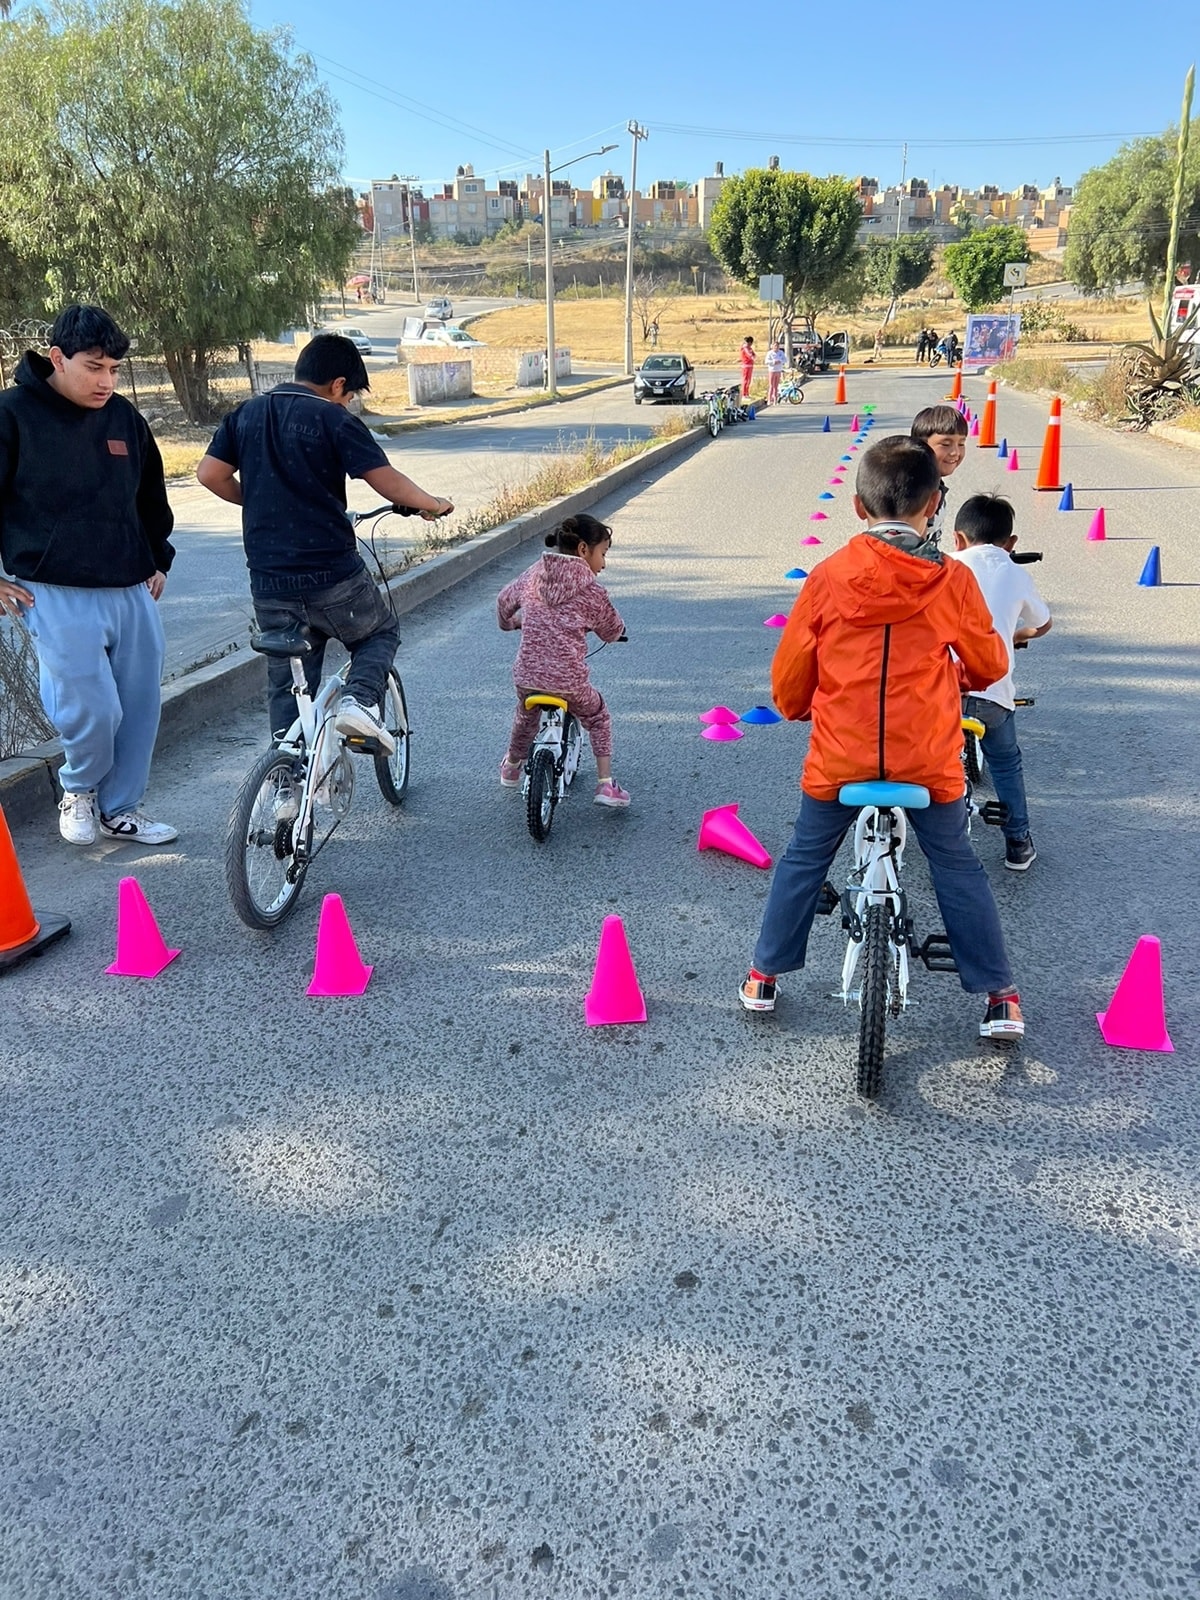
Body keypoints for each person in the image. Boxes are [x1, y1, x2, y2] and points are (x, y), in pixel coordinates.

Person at [738, 434, 1025, 1043]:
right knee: (955, 863)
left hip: (840, 758)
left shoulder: (827, 578)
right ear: (934, 503)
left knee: (803, 858)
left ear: (859, 508)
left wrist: (796, 708)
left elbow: (791, 680)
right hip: (928, 760)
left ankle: (764, 975)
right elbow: (988, 666)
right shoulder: (950, 580)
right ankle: (1001, 996)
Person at [196, 333, 452, 747]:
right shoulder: (332, 418)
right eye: (349, 395)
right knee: (379, 633)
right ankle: (361, 703)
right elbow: (387, 482)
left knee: (288, 683)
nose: (347, 402)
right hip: (331, 575)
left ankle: (286, 785)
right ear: (337, 385)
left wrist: (257, 500)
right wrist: (433, 503)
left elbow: (209, 475)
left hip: (269, 580)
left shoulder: (246, 413)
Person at [0, 304, 178, 846]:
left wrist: (158, 559)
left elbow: (150, 495)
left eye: (114, 369)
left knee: (141, 707)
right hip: (53, 590)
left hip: (129, 586)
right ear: (57, 358)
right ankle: (79, 789)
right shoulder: (12, 415)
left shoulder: (123, 418)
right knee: (93, 708)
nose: (105, 380)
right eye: (93, 366)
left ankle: (120, 809)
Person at [496, 513, 630, 809]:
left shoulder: (532, 574)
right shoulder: (592, 592)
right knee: (597, 715)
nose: (604, 564)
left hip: (527, 677)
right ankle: (606, 785)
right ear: (584, 549)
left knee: (525, 716)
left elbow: (503, 602)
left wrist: (512, 623)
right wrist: (617, 632)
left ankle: (512, 765)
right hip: (569, 683)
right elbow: (610, 630)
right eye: (603, 554)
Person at [950, 493, 1052, 871]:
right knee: (1007, 763)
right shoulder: (1015, 570)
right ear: (1011, 545)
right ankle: (1018, 843)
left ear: (958, 539)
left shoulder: (946, 565)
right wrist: (1013, 632)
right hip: (993, 693)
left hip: (943, 690)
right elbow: (1043, 624)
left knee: (926, 760)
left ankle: (936, 839)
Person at [911, 403, 968, 544]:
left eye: (961, 444)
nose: (955, 452)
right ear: (921, 445)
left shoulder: (934, 483)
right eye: (945, 444)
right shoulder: (917, 492)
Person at [739, 335, 756, 400]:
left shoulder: (750, 348)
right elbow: (750, 355)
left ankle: (747, 393)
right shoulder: (745, 348)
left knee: (749, 380)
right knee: (745, 380)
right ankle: (743, 394)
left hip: (750, 365)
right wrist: (752, 357)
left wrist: (753, 356)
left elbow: (754, 355)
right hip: (746, 365)